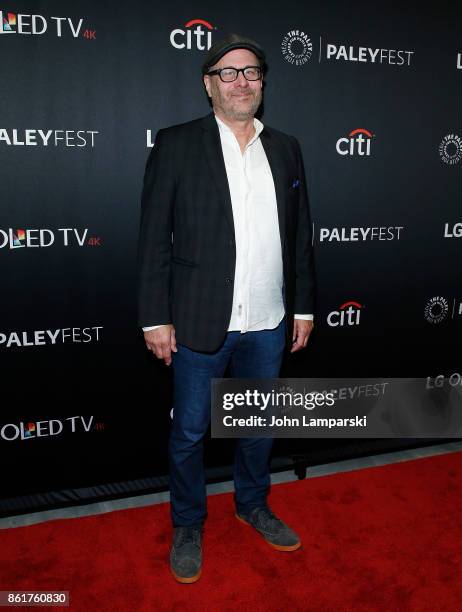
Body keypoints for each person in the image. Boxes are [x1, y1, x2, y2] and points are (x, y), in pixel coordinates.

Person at [137, 33, 315, 584]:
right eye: (229, 72)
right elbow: (153, 239)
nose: (242, 81)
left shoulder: (286, 147)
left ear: (263, 82)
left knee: (258, 427)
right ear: (209, 83)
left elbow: (300, 235)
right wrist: (154, 315)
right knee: (190, 431)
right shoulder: (177, 143)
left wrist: (303, 308)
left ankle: (252, 504)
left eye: (252, 72)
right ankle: (189, 523)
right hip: (196, 320)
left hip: (268, 320)